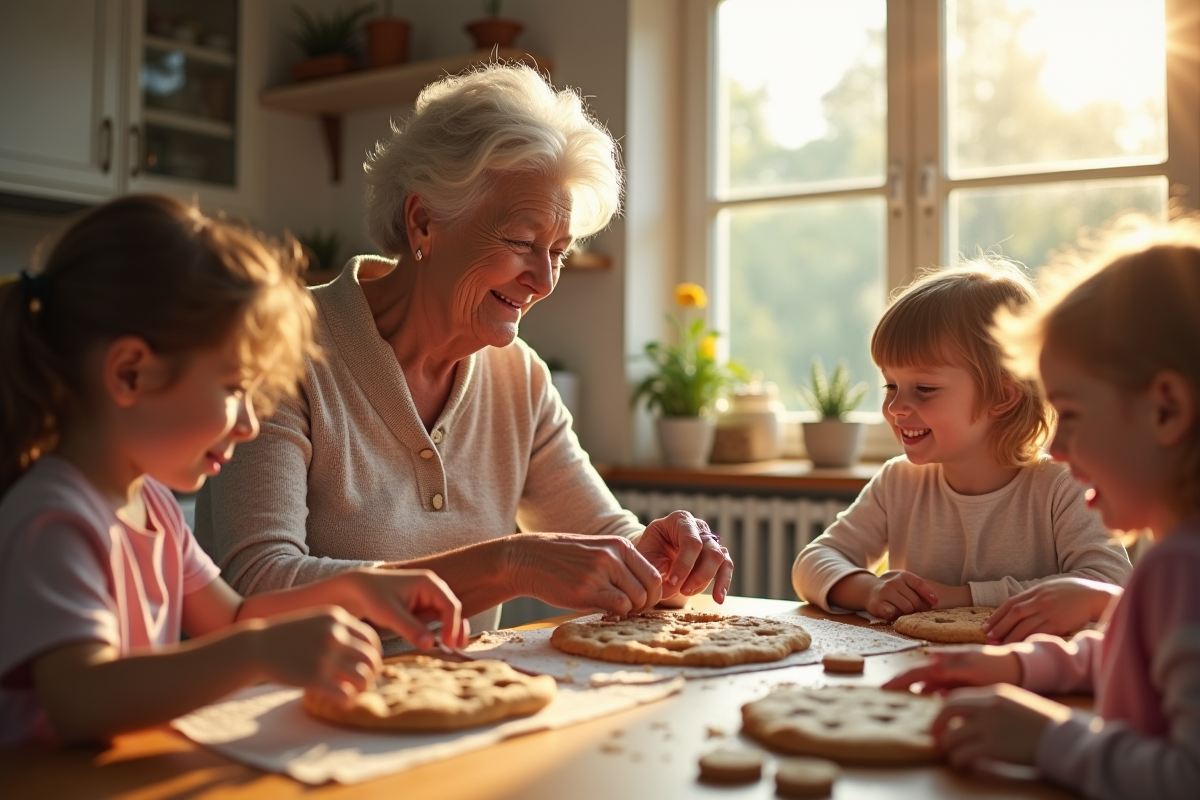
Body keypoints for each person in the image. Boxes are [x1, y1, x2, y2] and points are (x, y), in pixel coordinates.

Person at [194, 63, 733, 652]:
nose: (544, 281)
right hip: (286, 711)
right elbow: (258, 587)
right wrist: (507, 565)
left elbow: (605, 538)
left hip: (452, 707)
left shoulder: (519, 377)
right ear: (424, 221)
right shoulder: (282, 344)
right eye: (522, 243)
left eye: (558, 251)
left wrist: (663, 558)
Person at [0, 196, 468, 746]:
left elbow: (235, 617)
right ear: (130, 374)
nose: (249, 425)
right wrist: (256, 653)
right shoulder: (54, 517)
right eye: (234, 389)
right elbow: (80, 698)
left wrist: (362, 588)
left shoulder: (150, 506)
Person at [884, 217, 1200, 798]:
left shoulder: (1183, 569)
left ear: (1166, 410)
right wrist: (1021, 669)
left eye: (1072, 417)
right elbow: (1129, 653)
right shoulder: (1177, 562)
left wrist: (1049, 739)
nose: (1054, 447)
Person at [792, 257, 1130, 637]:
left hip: (1029, 678)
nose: (896, 407)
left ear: (1001, 396)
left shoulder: (1063, 486)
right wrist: (870, 590)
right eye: (891, 385)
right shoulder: (899, 481)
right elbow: (812, 562)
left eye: (925, 389)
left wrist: (963, 596)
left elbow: (1109, 584)